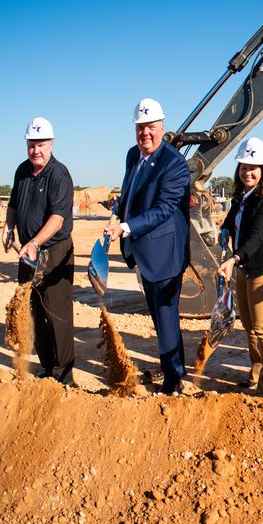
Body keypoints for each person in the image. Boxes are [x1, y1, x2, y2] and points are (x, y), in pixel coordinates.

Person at [105, 98, 191, 396]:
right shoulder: (133, 155)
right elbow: (129, 190)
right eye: (141, 128)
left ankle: (174, 379)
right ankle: (171, 365)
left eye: (151, 128)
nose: (146, 134)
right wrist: (117, 211)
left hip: (166, 252)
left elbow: (165, 208)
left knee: (166, 313)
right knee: (157, 314)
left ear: (162, 128)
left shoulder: (174, 163)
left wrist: (126, 227)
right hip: (144, 250)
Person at [4, 117, 76, 384]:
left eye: (41, 144)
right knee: (35, 311)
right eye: (32, 144)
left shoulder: (59, 174)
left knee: (57, 314)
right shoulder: (22, 171)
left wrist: (35, 243)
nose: (36, 150)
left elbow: (58, 219)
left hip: (54, 251)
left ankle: (64, 373)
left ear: (51, 143)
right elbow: (13, 204)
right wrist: (8, 227)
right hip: (27, 253)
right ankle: (47, 365)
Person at [217, 137, 263, 396]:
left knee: (262, 327)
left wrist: (234, 259)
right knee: (248, 324)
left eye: (253, 167)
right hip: (245, 268)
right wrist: (224, 230)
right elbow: (233, 220)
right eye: (244, 166)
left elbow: (256, 236)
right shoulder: (240, 197)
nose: (248, 172)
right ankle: (256, 373)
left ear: (262, 170)